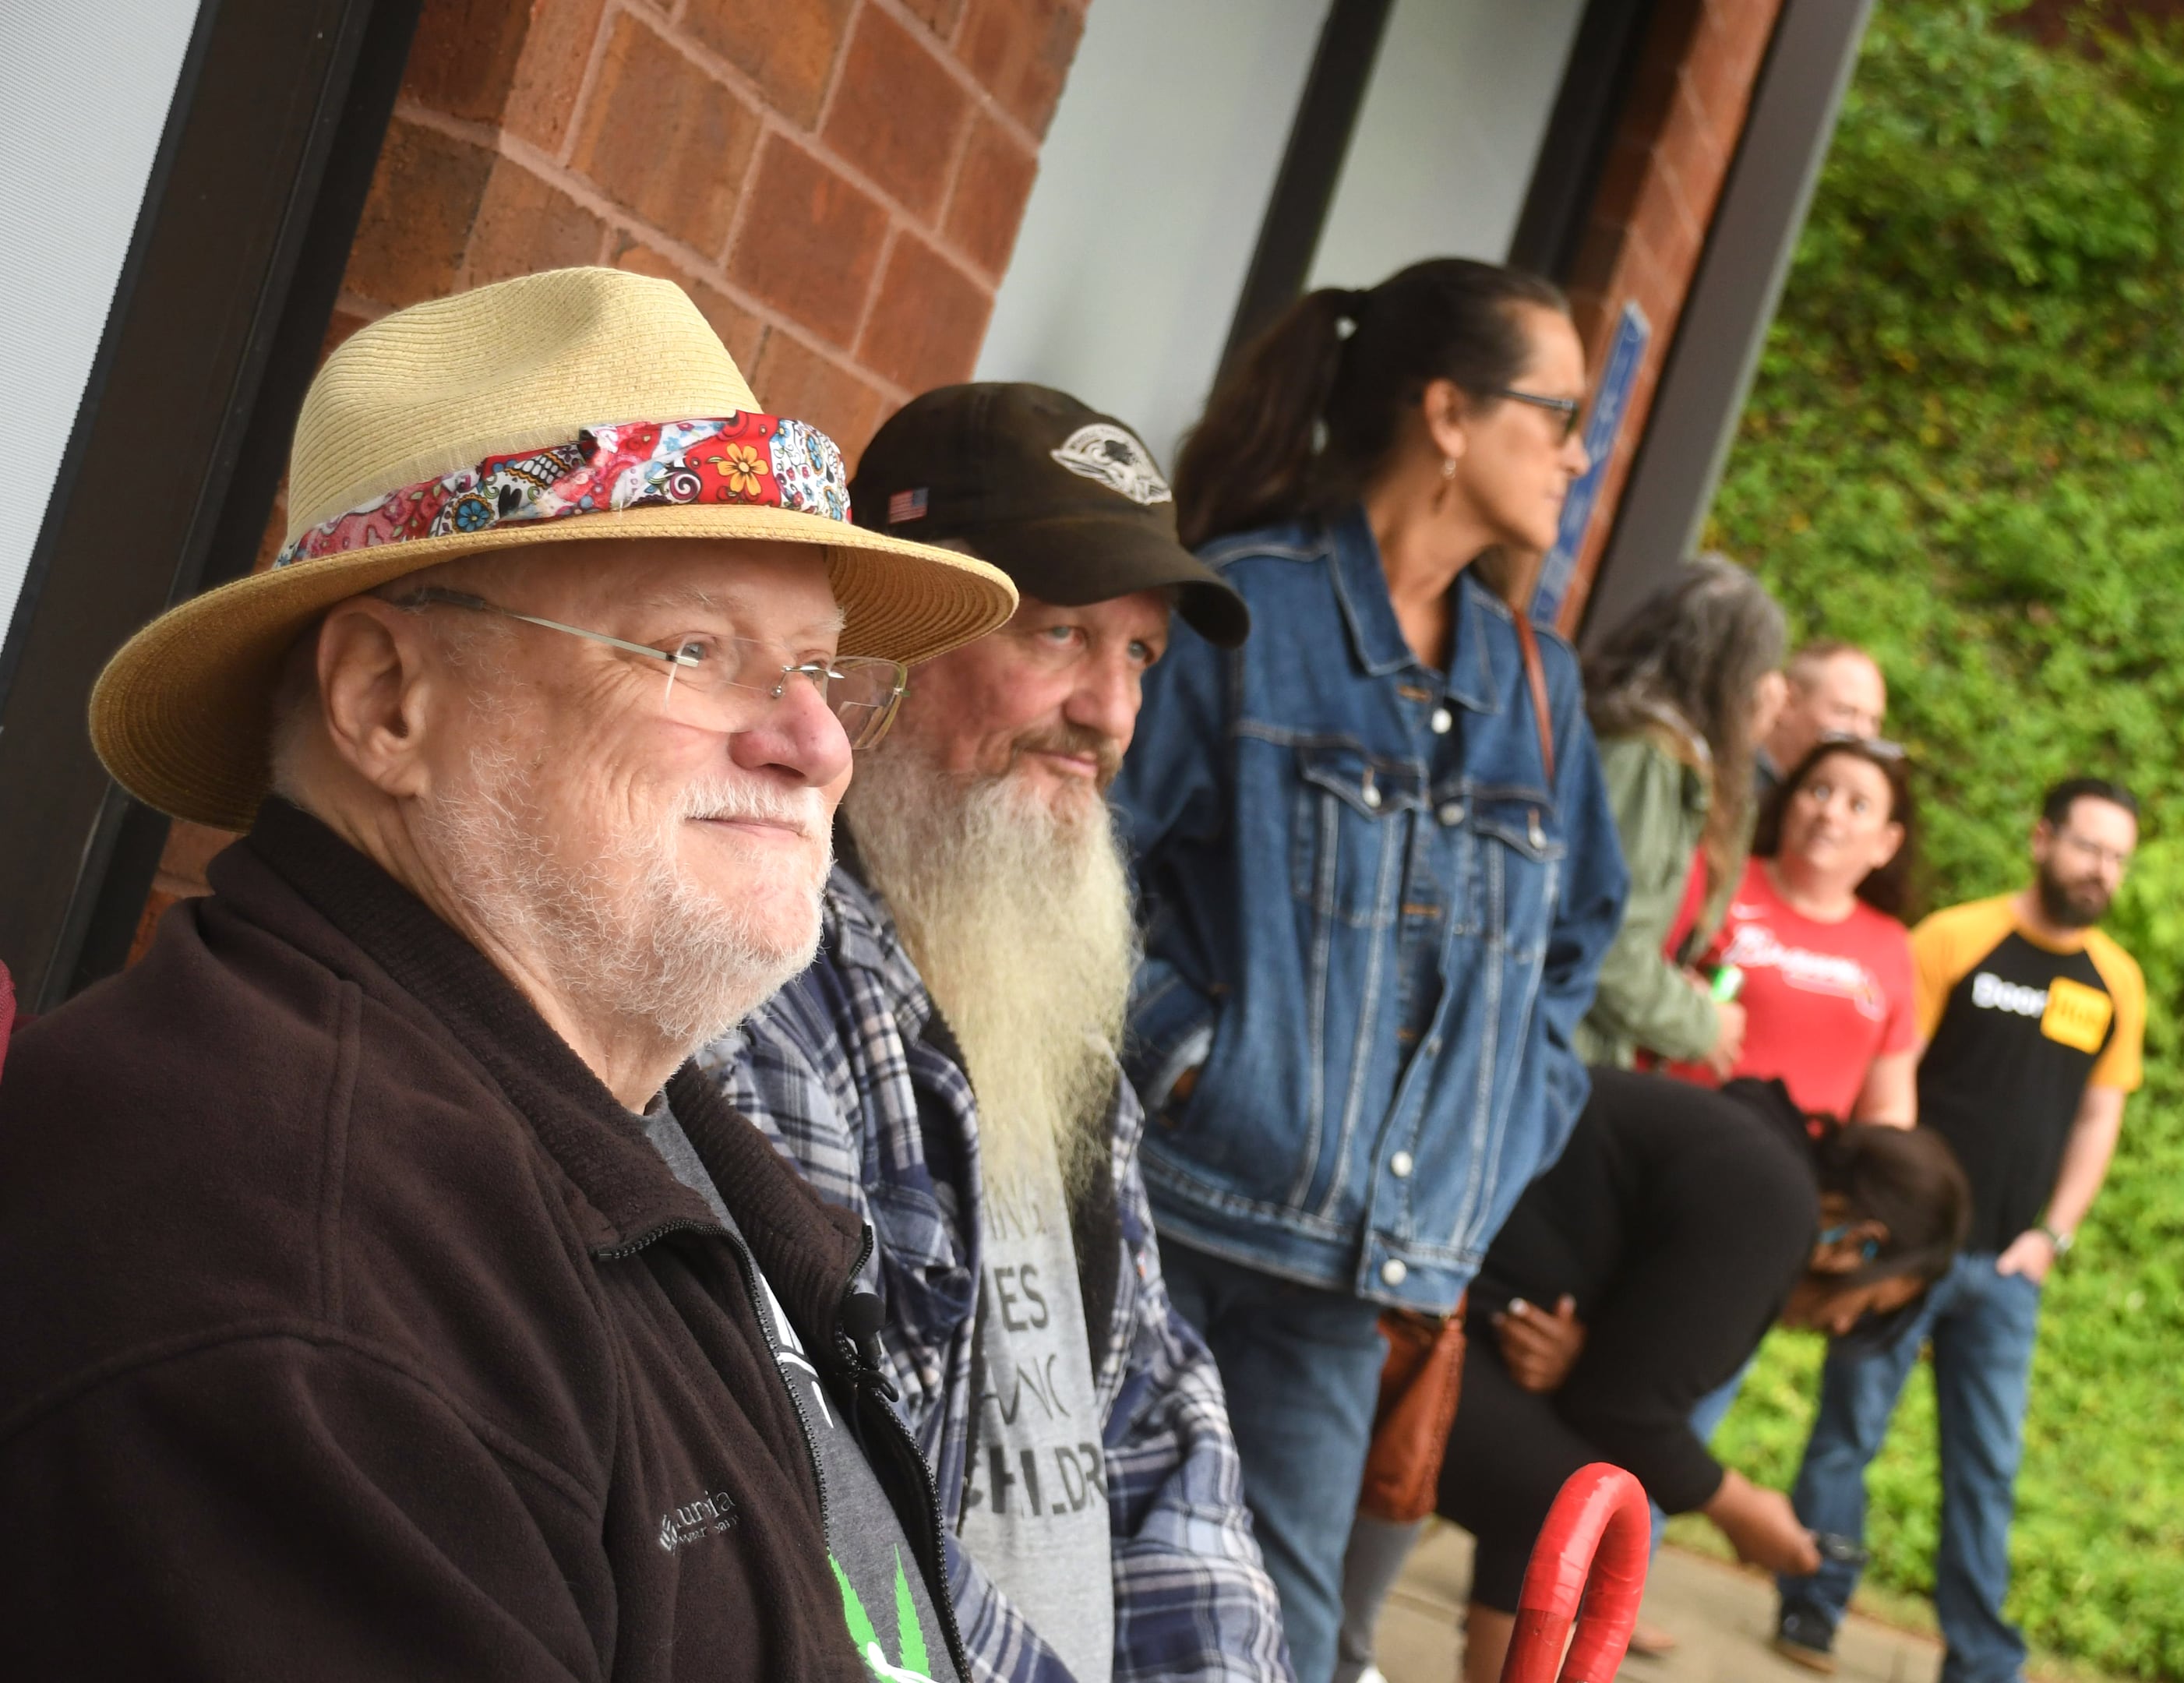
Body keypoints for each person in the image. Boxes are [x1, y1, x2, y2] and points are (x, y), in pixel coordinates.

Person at [0, 267, 1018, 1678]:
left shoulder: (596, 1104)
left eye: (823, 670)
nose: (816, 744)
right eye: (696, 649)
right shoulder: (298, 1251)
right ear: (386, 702)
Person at [708, 383, 1289, 1683]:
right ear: (885, 646)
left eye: (1139, 655)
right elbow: (832, 1495)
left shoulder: (1053, 1020)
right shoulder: (766, 988)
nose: (1112, 713)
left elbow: (1158, 1427)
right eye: (1062, 634)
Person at [1112, 257, 1628, 1683]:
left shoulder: (1539, 684)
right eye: (1560, 413)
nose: (1582, 454)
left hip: (1359, 1286)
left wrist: (1496, 1133)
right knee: (1051, 1588)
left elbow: (1575, 955)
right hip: (1175, 1218)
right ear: (1451, 415)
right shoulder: (1246, 612)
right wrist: (1199, 1069)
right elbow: (1082, 863)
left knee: (1262, 1639)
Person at [1772, 778, 2147, 1682]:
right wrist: (1895, 1229)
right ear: (2040, 837)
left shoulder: (2116, 984)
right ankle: (1812, 1605)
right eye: (2088, 846)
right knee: (1847, 1434)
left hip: (2008, 1270)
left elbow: (2099, 1120)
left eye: (2118, 858)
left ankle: (1981, 1661)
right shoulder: (1954, 940)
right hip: (1910, 1251)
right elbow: (1891, 1073)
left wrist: (2049, 1239)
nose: (2101, 870)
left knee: (1985, 1469)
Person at [1434, 1073, 1971, 1683]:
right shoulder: (1772, 1202)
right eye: (1868, 1308)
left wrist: (1590, 1367)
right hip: (1424, 1316)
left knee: (1567, 1485)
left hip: (1465, 1302)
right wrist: (1739, 1509)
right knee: (1568, 1501)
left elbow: (1621, 1381)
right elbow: (1626, 1410)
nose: (1844, 1324)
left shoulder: (1761, 1157)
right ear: (1860, 1247)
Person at [1568, 556, 1786, 1076]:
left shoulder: (1669, 753)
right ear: (1736, 678)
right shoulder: (1645, 758)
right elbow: (1606, 947)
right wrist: (1702, 1025)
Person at [1673, 735, 1925, 1127]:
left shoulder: (1892, 945)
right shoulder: (1715, 878)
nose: (1830, 813)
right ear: (1789, 802)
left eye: (1857, 805)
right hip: (1679, 1131)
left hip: (1799, 1173)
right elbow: (1630, 971)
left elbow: (1888, 1108)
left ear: (1886, 843)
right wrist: (1683, 1000)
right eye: (1818, 790)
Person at [1758, 640, 1889, 797]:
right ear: (1789, 703)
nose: (1862, 734)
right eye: (1845, 711)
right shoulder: (1729, 780)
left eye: (1873, 721)